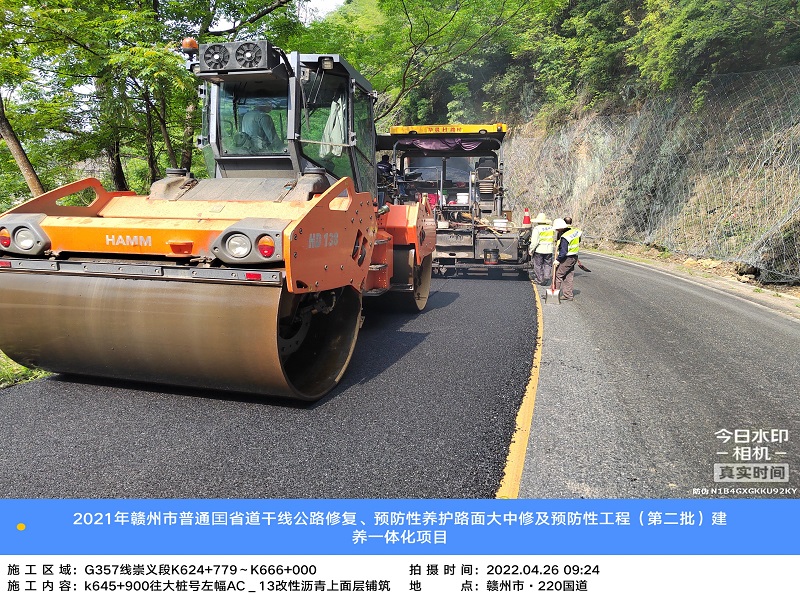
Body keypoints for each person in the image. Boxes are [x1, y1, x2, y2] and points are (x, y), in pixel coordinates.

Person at [552, 217, 582, 301]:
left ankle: (554, 295)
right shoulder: (575, 231)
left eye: (557, 229)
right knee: (568, 276)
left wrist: (558, 260)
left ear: (561, 228)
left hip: (567, 258)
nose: (556, 230)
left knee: (558, 275)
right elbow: (578, 240)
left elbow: (564, 251)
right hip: (574, 256)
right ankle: (568, 295)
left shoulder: (565, 237)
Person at [529, 212, 554, 285]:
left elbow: (534, 242)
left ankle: (540, 279)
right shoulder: (551, 228)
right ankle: (546, 276)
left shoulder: (537, 229)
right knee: (547, 264)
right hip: (549, 250)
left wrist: (531, 250)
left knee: (538, 265)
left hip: (539, 250)